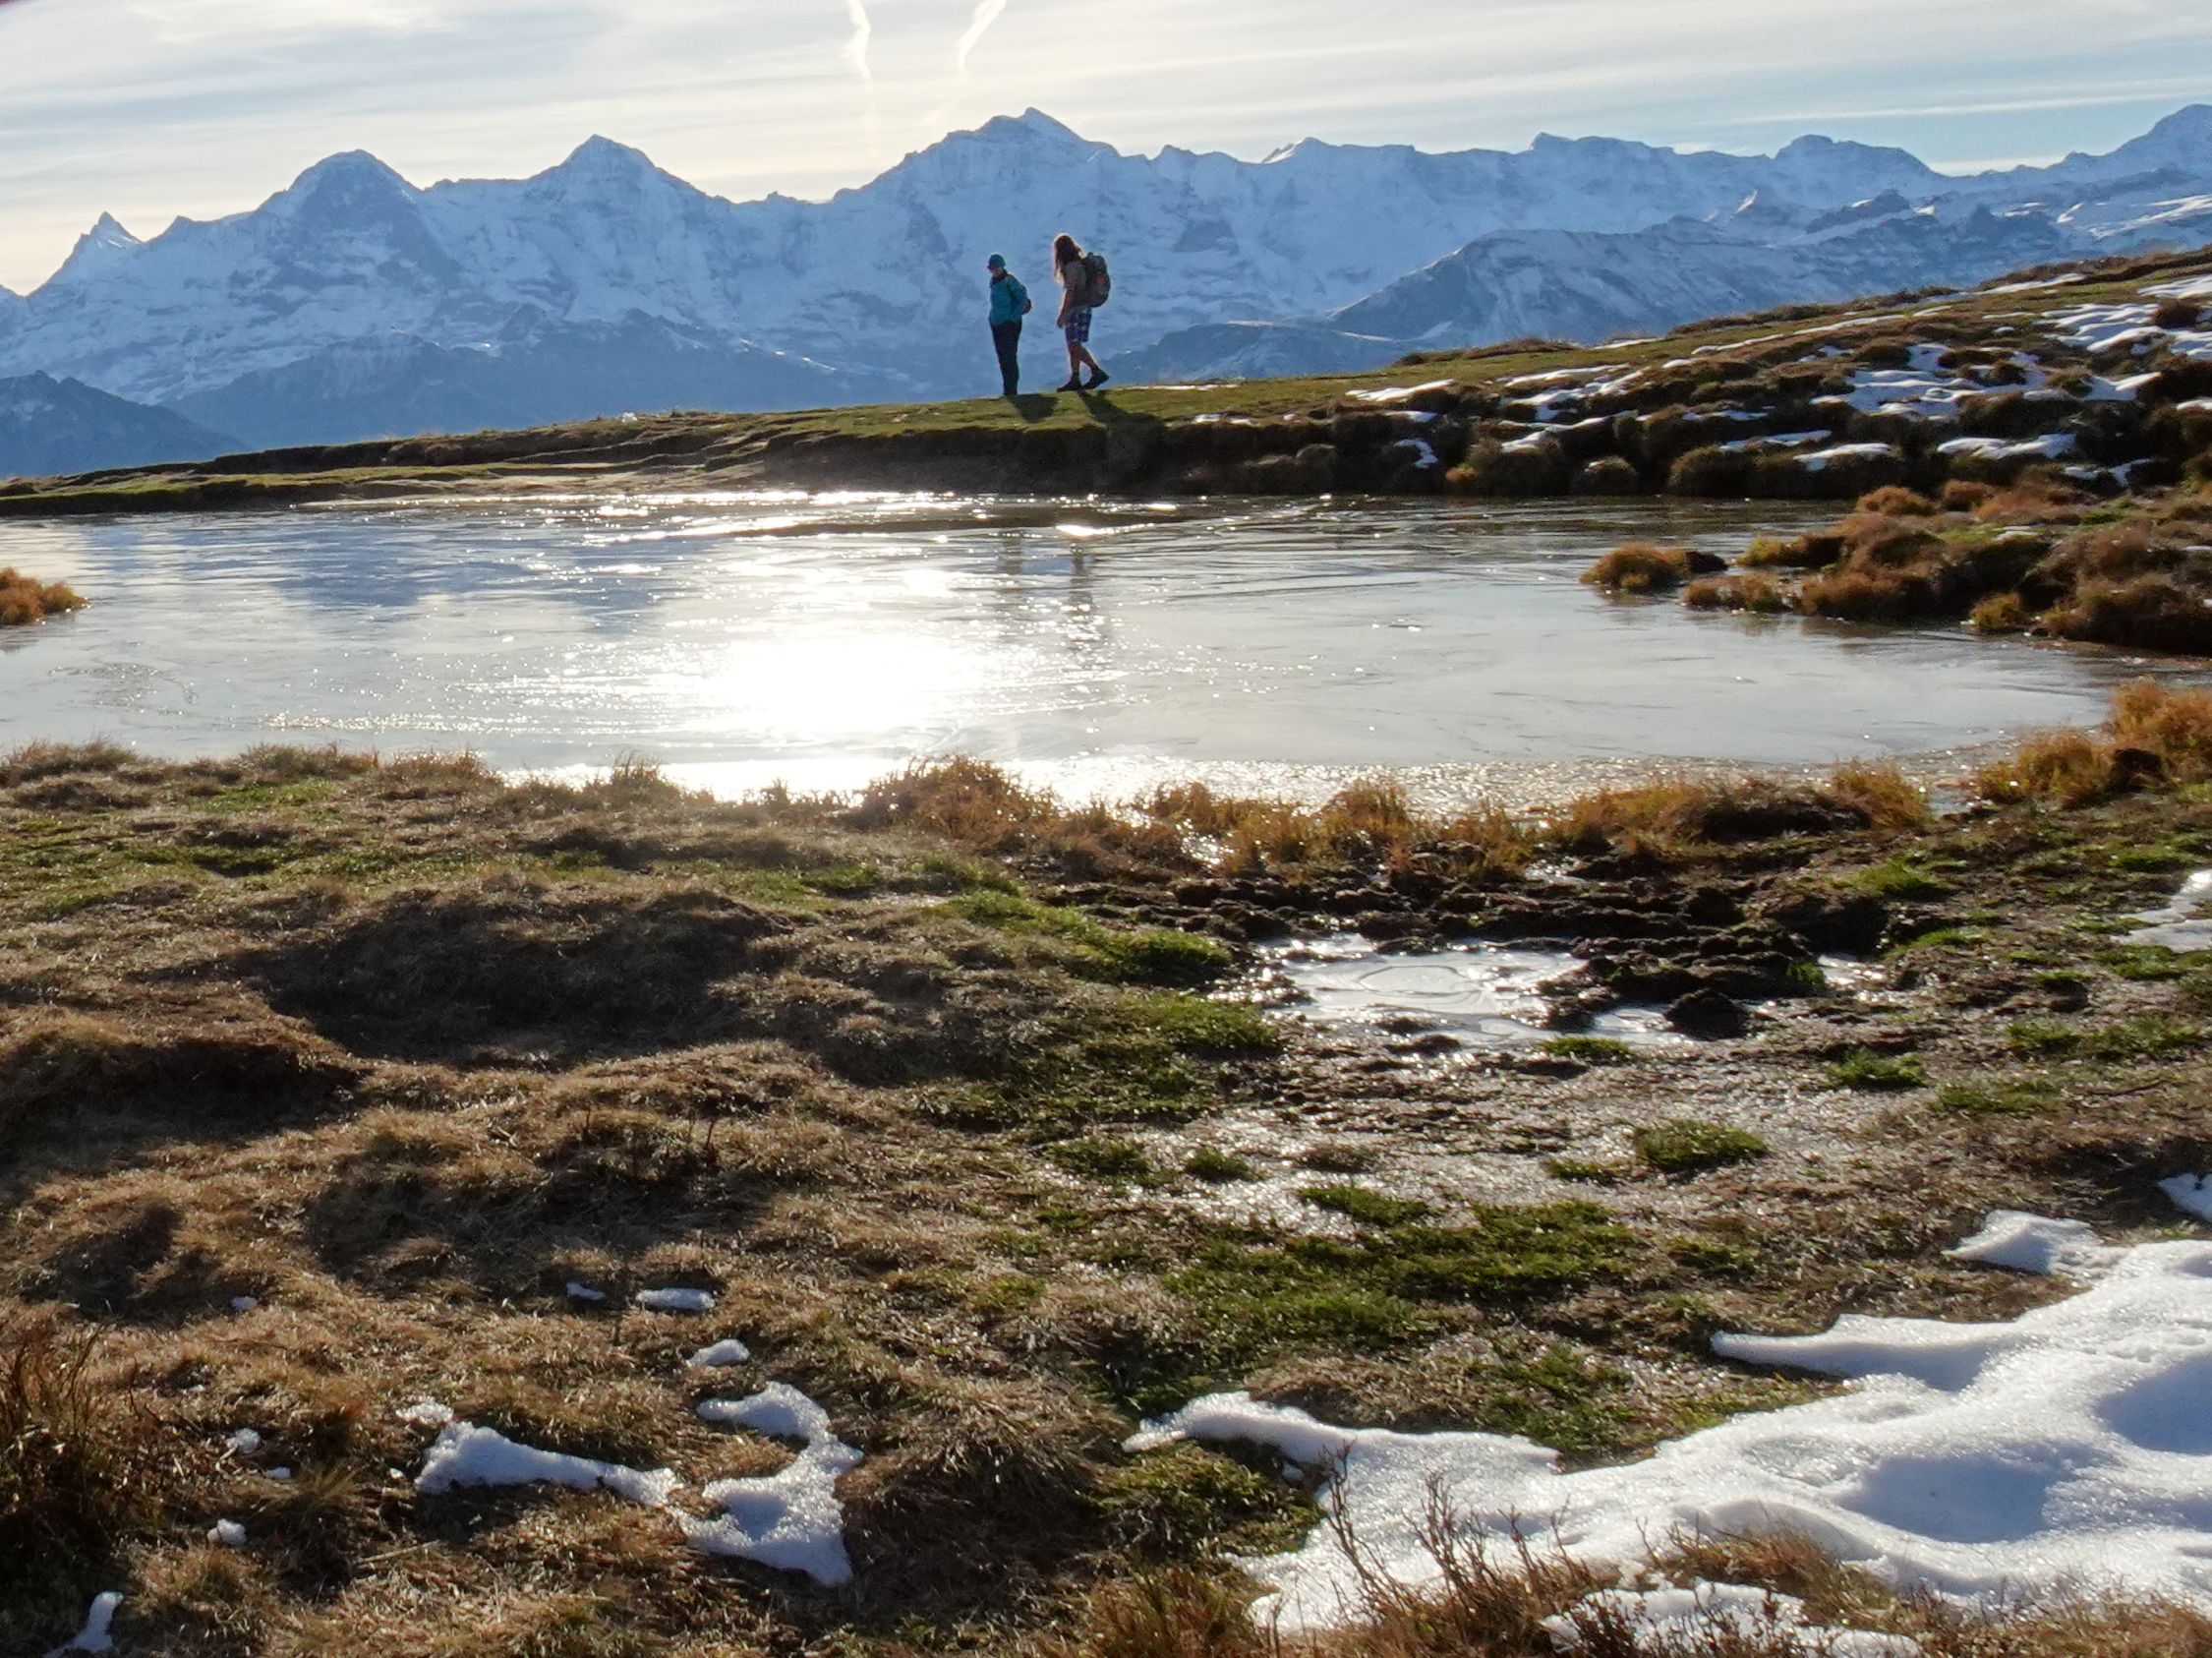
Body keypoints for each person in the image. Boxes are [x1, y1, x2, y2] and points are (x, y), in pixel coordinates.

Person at [1051, 233, 1109, 392]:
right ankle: (1075, 377)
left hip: (1075, 310)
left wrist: (1063, 313)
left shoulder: (1071, 267)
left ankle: (1095, 370)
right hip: (1085, 308)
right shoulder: (1080, 264)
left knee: (1074, 345)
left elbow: (1070, 291)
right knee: (1074, 344)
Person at [985, 254, 1030, 397]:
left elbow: (1022, 298)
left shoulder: (1009, 281)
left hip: (1009, 324)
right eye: (992, 268)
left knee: (1009, 356)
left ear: (1002, 266)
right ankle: (1008, 390)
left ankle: (1011, 390)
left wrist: (1013, 317)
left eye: (997, 267)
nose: (994, 270)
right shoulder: (995, 281)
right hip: (997, 323)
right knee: (1003, 357)